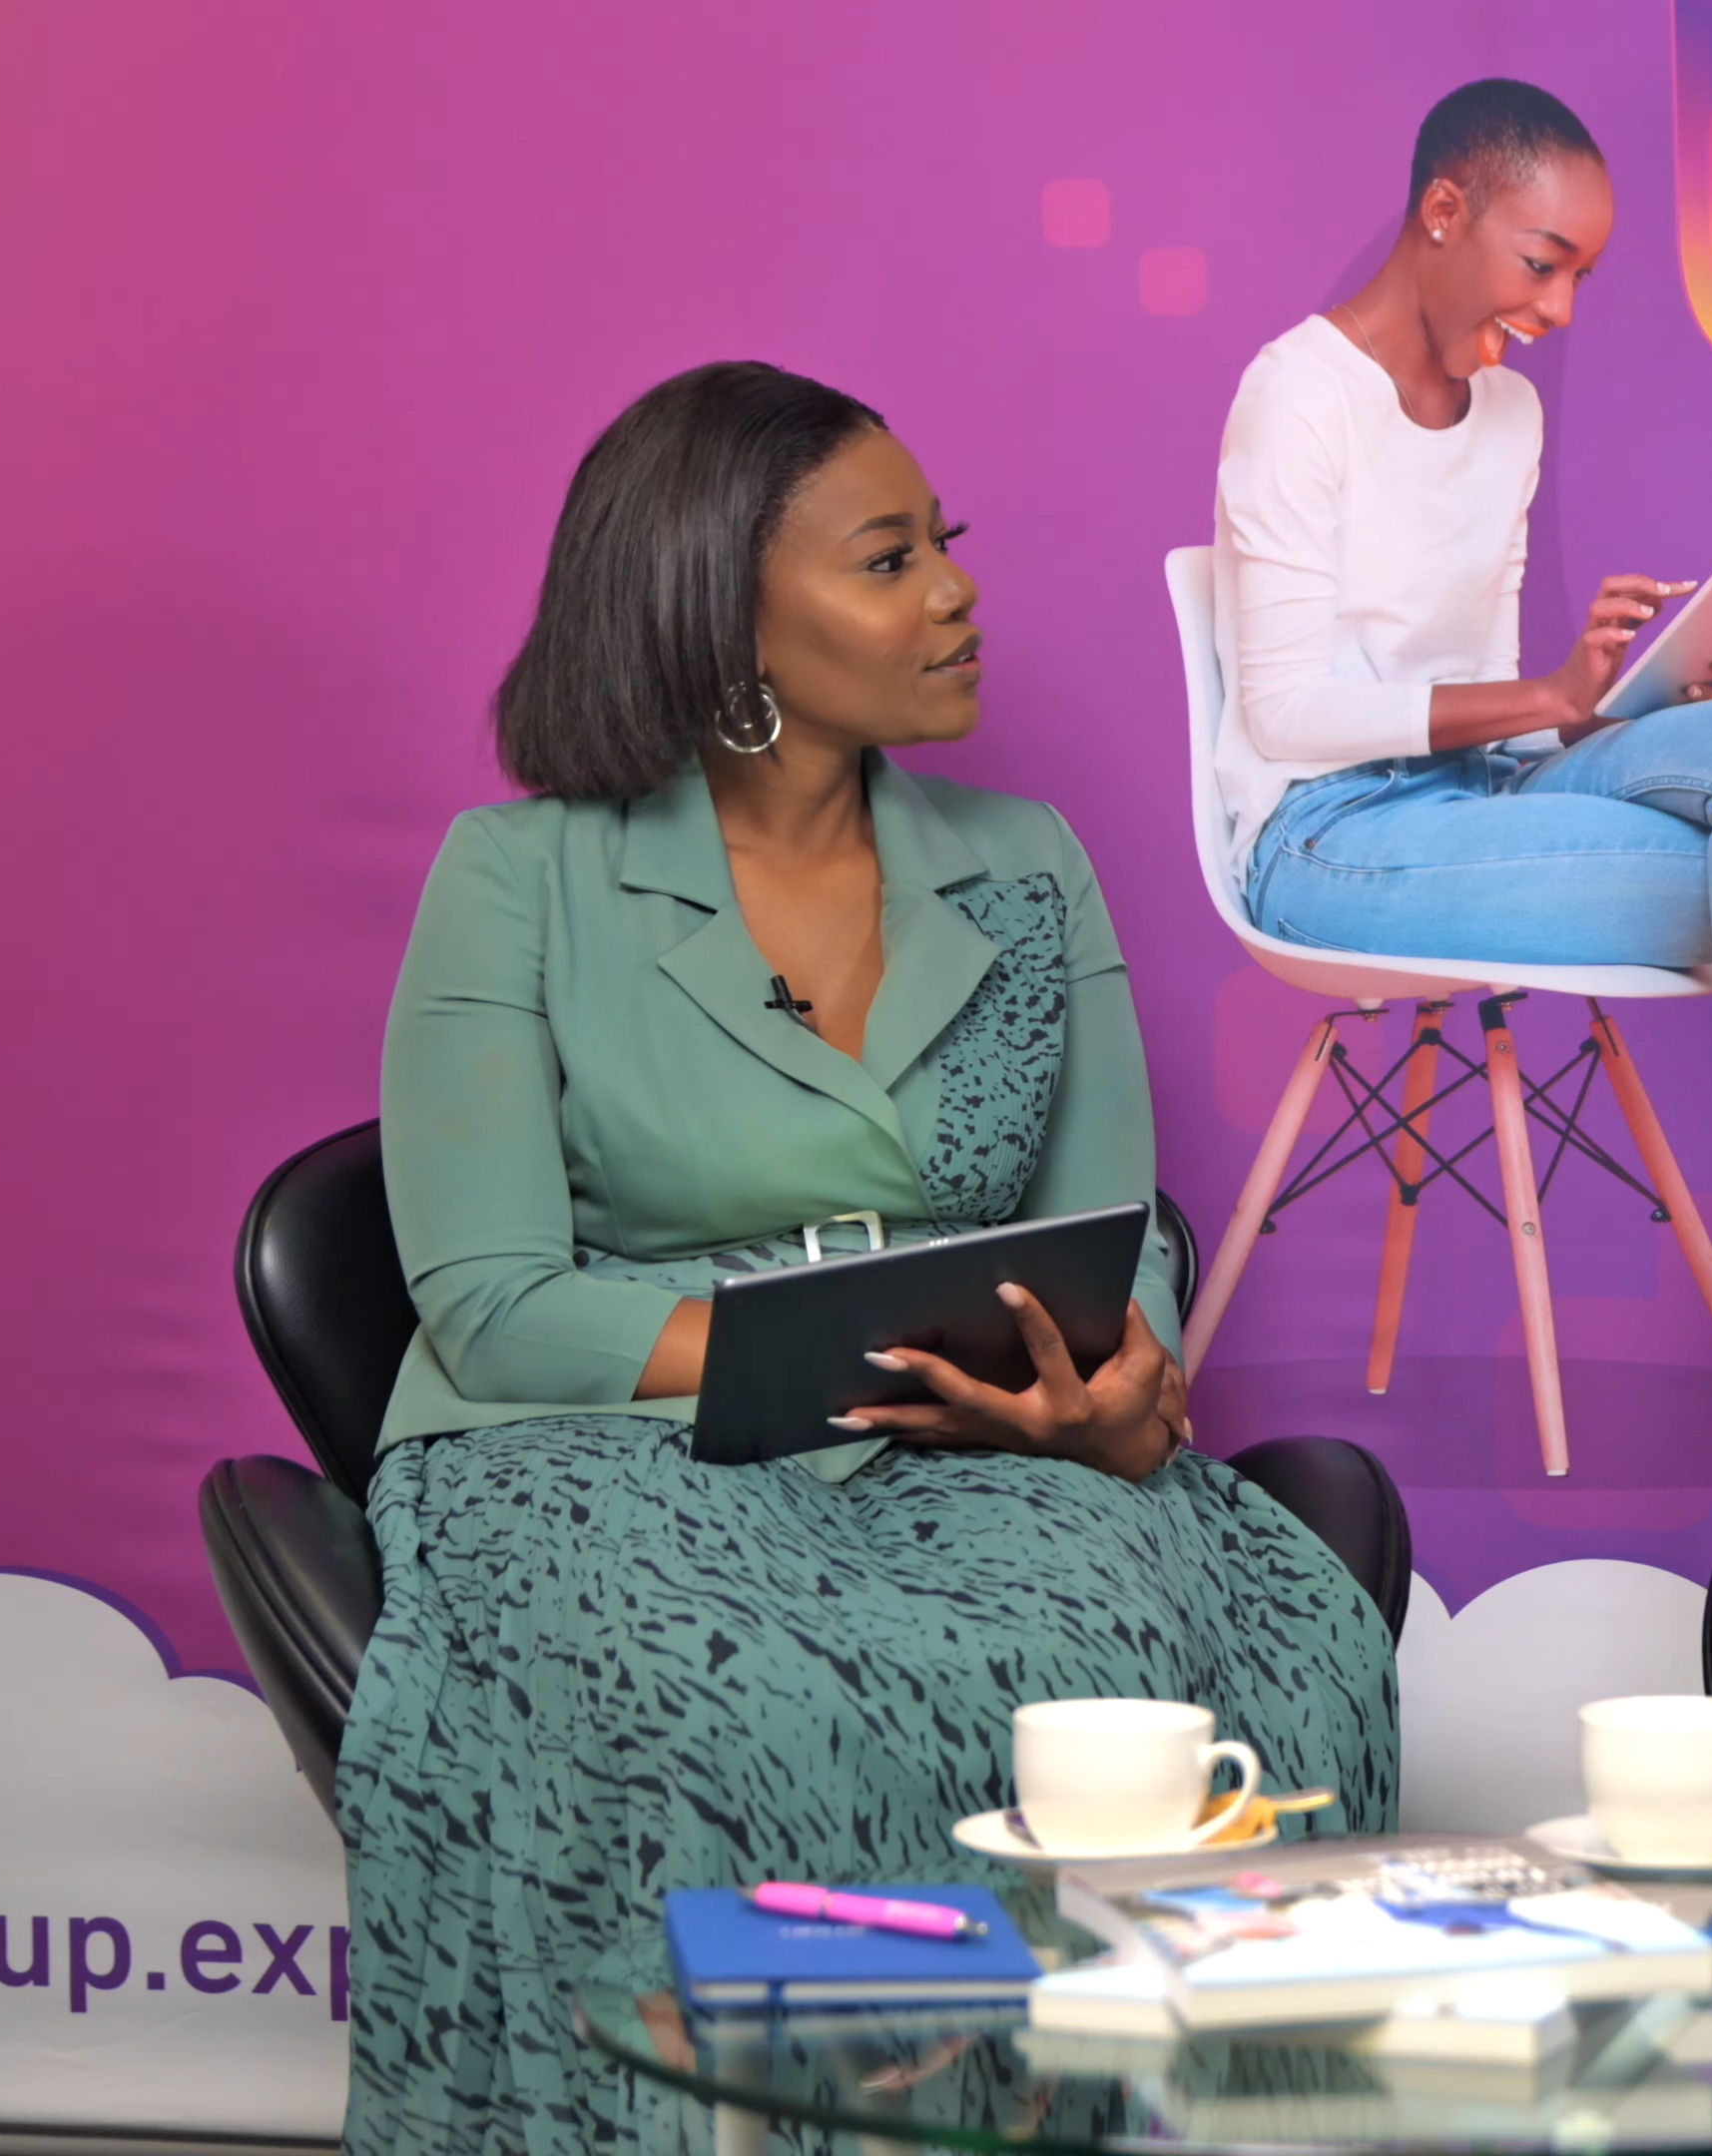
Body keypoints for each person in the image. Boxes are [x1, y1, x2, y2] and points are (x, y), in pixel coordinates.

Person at [337, 361, 1398, 2153]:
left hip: (971, 1435)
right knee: (741, 1706)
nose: (959, 593)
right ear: (720, 619)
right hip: (604, 1438)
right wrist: (844, 1347)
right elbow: (494, 1306)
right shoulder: (520, 878)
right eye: (889, 560)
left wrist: (1116, 1388)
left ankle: (1041, 2118)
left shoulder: (1024, 865)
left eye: (944, 544)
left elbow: (1113, 1237)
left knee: (1115, 1683)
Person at [1211, 78, 1712, 1473]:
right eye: (1545, 263)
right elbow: (1287, 711)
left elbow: (1492, 708)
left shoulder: (1508, 416)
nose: (1561, 307)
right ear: (1445, 210)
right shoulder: (1297, 395)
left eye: (1582, 275)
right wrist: (1545, 694)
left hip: (1474, 797)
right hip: (1326, 838)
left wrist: (1628, 704)